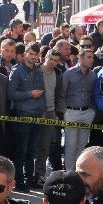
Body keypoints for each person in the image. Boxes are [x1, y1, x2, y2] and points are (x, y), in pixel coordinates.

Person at [7, 42, 46, 190]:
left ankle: (29, 179)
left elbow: (43, 92)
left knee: (32, 151)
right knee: (21, 151)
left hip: (37, 116)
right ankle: (19, 181)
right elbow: (11, 94)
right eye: (31, 54)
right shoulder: (17, 71)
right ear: (25, 55)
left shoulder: (38, 71)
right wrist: (30, 94)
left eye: (36, 55)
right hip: (23, 116)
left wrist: (42, 112)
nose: (33, 57)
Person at [61, 49, 97, 171]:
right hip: (71, 112)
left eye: (92, 57)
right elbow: (62, 94)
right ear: (80, 59)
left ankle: (79, 172)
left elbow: (94, 94)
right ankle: (69, 173)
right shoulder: (68, 73)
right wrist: (65, 111)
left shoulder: (93, 75)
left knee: (82, 145)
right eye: (89, 57)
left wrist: (92, 111)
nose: (92, 60)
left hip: (87, 112)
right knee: (71, 144)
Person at [34, 48, 65, 186]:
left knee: (45, 146)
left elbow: (60, 95)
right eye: (51, 59)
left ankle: (39, 174)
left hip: (51, 112)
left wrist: (59, 113)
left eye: (56, 61)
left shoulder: (58, 73)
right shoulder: (36, 70)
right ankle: (28, 175)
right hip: (35, 112)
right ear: (45, 57)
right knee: (31, 145)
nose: (53, 63)